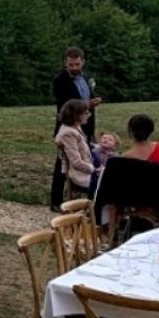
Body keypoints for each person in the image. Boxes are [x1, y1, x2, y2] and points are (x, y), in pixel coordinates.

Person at [49, 46, 101, 207]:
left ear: (82, 62)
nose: (74, 68)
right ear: (66, 63)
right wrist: (87, 104)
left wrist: (92, 103)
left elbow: (87, 97)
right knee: (63, 164)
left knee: (90, 155)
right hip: (68, 125)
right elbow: (66, 104)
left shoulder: (85, 78)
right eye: (70, 65)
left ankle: (86, 196)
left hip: (85, 124)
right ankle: (56, 200)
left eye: (77, 64)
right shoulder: (60, 81)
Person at [55, 100, 96, 195]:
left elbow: (83, 148)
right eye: (86, 113)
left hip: (86, 171)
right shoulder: (68, 133)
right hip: (80, 175)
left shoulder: (75, 127)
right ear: (76, 115)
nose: (89, 115)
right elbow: (76, 162)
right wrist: (93, 169)